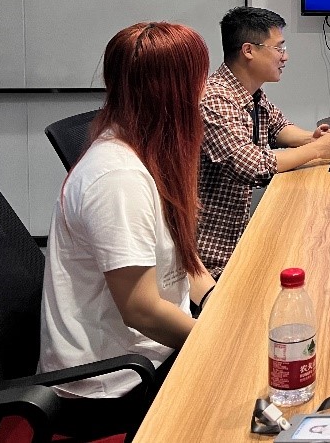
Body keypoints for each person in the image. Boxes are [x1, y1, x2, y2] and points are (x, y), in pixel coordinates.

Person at [40, 22, 217, 436]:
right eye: (200, 79)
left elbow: (182, 258)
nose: (205, 92)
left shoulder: (148, 151)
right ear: (173, 91)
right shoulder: (117, 177)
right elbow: (141, 309)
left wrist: (216, 300)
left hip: (151, 353)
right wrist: (220, 342)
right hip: (115, 385)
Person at [198, 6, 330, 278]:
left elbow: (279, 127)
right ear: (248, 50)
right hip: (213, 257)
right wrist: (316, 150)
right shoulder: (216, 99)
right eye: (279, 48)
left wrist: (312, 138)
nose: (285, 56)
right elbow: (252, 166)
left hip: (238, 240)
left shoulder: (250, 92)